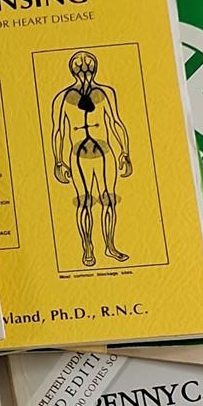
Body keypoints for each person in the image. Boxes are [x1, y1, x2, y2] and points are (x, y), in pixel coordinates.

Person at [51, 50, 133, 266]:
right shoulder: (62, 98)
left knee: (109, 200)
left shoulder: (105, 93)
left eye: (88, 68)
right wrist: (58, 161)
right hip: (78, 156)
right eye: (79, 68)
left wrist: (125, 152)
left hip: (105, 154)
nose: (84, 72)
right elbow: (59, 131)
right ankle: (87, 247)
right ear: (72, 71)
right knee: (84, 201)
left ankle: (110, 246)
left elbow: (115, 122)